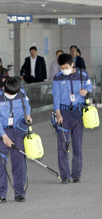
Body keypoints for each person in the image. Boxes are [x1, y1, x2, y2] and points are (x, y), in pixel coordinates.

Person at [0, 77, 32, 204]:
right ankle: (0, 194)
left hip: (18, 130)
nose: (12, 97)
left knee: (19, 163)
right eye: (9, 95)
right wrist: (4, 136)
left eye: (14, 95)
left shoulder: (21, 92)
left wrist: (28, 116)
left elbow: (27, 106)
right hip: (1, 131)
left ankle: (19, 192)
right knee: (0, 164)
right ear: (4, 88)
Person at [52, 53, 92, 184]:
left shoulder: (82, 75)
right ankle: (65, 175)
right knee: (62, 145)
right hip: (63, 113)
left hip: (77, 113)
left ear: (72, 64)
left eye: (66, 67)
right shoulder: (57, 78)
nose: (64, 70)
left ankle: (76, 174)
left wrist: (85, 92)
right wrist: (58, 113)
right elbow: (56, 97)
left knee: (77, 144)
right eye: (62, 68)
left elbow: (90, 88)